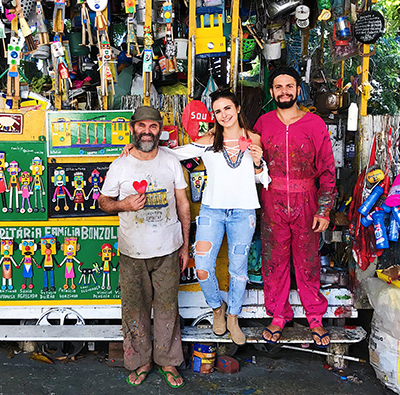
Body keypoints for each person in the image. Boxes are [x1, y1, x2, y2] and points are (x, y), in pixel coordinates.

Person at [135, 89, 269, 345]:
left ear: (238, 109)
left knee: (238, 270)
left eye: (227, 108)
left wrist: (259, 163)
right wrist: (140, 149)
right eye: (217, 111)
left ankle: (233, 317)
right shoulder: (209, 140)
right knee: (204, 268)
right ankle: (217, 308)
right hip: (212, 211)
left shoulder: (254, 139)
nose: (223, 115)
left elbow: (260, 178)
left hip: (243, 213)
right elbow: (175, 154)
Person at [99, 106, 191, 388]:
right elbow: (104, 202)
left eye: (153, 126)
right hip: (131, 253)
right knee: (134, 309)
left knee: (167, 307)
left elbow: (183, 204)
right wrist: (123, 205)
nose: (148, 131)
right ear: (133, 128)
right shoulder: (120, 166)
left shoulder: (171, 161)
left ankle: (168, 362)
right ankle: (141, 361)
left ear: (160, 130)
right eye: (142, 126)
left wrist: (185, 247)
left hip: (168, 250)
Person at [253, 67, 336, 348]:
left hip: (307, 202)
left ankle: (315, 317)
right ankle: (278, 315)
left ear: (298, 89)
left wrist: (323, 209)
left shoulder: (314, 124)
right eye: (278, 87)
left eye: (289, 86)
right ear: (272, 91)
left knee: (309, 261)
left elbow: (327, 170)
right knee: (273, 262)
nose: (284, 91)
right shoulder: (262, 124)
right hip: (271, 203)